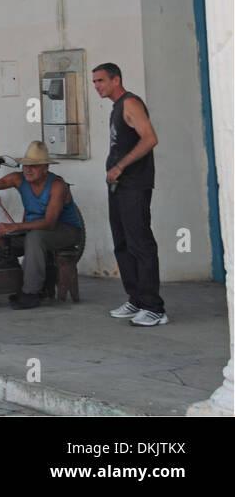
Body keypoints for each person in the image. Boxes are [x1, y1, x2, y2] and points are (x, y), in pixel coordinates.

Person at [0, 140, 83, 310]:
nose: (27, 169)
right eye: (25, 165)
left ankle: (31, 294)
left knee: (35, 237)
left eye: (33, 166)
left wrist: (16, 227)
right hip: (34, 230)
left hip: (65, 231)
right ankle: (25, 282)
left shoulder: (57, 185)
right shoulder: (18, 179)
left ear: (45, 168)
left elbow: (49, 224)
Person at [92, 62, 166, 326]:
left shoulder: (130, 102)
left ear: (116, 80)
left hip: (135, 185)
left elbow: (150, 138)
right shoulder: (116, 107)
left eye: (101, 81)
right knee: (122, 244)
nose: (97, 87)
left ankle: (154, 307)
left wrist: (121, 165)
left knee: (140, 243)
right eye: (95, 82)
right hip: (118, 186)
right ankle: (136, 299)